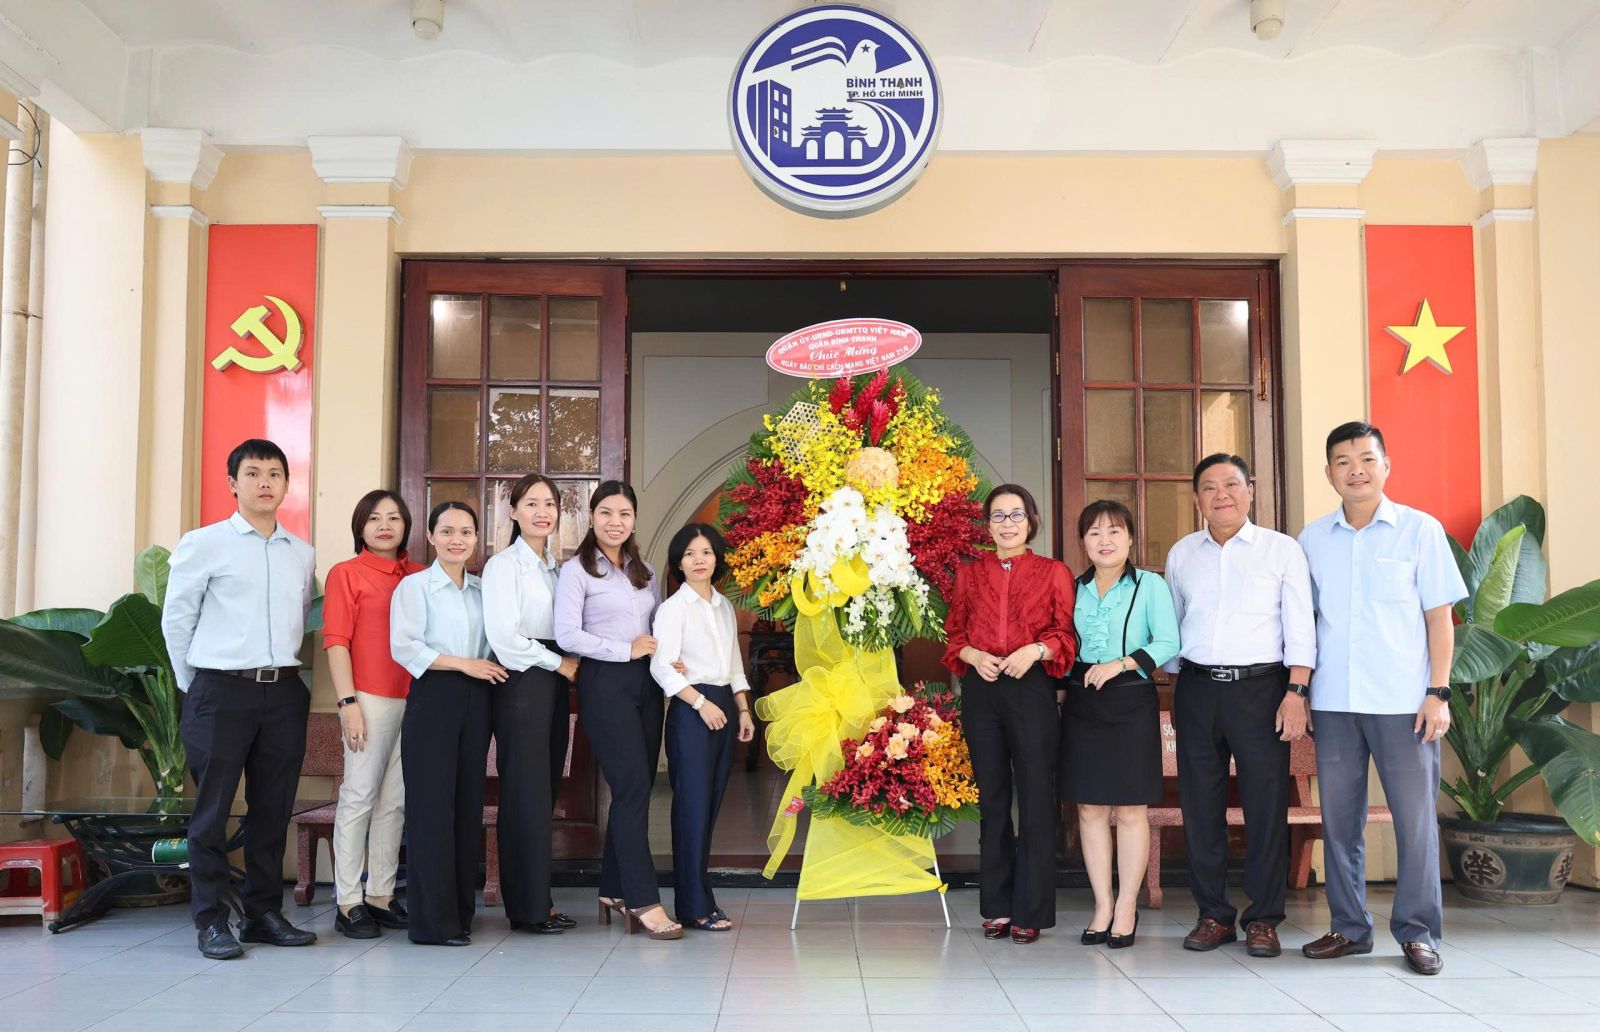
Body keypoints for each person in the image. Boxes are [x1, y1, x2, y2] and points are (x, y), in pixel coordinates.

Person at [1298, 421, 1465, 977]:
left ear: (1386, 466)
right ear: (1329, 473)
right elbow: (1304, 623)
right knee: (1339, 821)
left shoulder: (1420, 531)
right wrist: (1301, 690)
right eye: (1343, 462)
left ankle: (1418, 933)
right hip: (1334, 702)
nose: (1356, 471)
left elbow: (1439, 620)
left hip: (1404, 704)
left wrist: (1437, 692)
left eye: (1367, 459)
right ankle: (1349, 928)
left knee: (1414, 822)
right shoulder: (1312, 540)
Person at [162, 438, 318, 960]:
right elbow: (177, 621)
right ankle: (210, 920)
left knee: (272, 809)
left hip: (283, 692)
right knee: (212, 811)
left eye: (274, 473)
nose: (264, 482)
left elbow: (299, 617)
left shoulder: (301, 553)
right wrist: (198, 685)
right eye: (253, 473)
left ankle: (262, 914)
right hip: (220, 690)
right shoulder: (203, 543)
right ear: (233, 483)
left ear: (287, 484)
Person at [1164, 454, 1315, 959]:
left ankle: (1264, 919)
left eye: (1231, 484)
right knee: (1200, 806)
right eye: (1209, 487)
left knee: (1265, 806)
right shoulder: (1182, 554)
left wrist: (1296, 693)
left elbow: (1300, 626)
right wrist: (1176, 687)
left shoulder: (1281, 550)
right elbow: (1175, 626)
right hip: (1197, 688)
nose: (1221, 494)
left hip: (1262, 690)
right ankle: (1213, 915)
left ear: (1251, 490)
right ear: (1196, 499)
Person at [942, 484, 1077, 945]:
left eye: (1016, 514)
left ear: (1031, 521)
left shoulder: (1053, 572)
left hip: (1031, 688)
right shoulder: (969, 574)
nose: (1007, 524)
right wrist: (974, 656)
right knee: (993, 799)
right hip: (983, 690)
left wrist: (1035, 651)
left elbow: (1066, 635)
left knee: (1037, 798)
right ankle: (997, 905)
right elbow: (954, 635)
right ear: (987, 525)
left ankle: (1031, 910)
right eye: (998, 516)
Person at [553, 481, 680, 939]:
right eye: (606, 512)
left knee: (638, 789)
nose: (615, 522)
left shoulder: (643, 570)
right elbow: (567, 635)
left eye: (624, 514)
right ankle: (644, 899)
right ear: (592, 517)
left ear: (634, 520)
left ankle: (612, 889)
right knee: (631, 788)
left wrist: (669, 656)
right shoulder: (576, 571)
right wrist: (624, 650)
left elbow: (658, 626)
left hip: (647, 684)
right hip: (605, 684)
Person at [1060, 499, 1179, 950]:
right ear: (1083, 542)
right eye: (1094, 532)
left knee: (1130, 810)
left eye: (1114, 531)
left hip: (1131, 701)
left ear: (1130, 538)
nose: (1104, 540)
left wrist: (1120, 664)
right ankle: (1102, 905)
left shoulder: (1150, 585)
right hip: (1082, 702)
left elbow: (1168, 640)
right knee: (1089, 809)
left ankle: (1127, 905)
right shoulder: (1073, 588)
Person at [390, 501, 508, 946]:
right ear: (431, 537)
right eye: (447, 531)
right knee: (432, 810)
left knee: (466, 806)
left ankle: (459, 915)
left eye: (466, 532)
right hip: (434, 698)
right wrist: (465, 664)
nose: (457, 539)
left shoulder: (482, 590)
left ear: (477, 538)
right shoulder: (415, 587)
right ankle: (431, 923)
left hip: (477, 700)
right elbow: (405, 647)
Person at [323, 490, 424, 939]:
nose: (385, 526)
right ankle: (348, 902)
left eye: (394, 518)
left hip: (415, 698)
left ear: (406, 527)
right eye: (375, 518)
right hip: (369, 698)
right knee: (359, 796)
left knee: (394, 801)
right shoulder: (346, 574)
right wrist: (348, 705)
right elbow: (336, 642)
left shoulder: (419, 575)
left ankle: (381, 896)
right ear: (360, 526)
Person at [482, 473, 579, 935]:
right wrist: (557, 663)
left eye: (550, 504)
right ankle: (525, 908)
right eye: (532, 503)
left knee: (545, 790)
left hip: (554, 680)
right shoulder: (503, 566)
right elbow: (504, 638)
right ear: (513, 512)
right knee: (524, 792)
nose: (543, 512)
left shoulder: (556, 568)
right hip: (523, 682)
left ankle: (541, 900)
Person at [650, 523, 755, 932]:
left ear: (717, 559)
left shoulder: (724, 606)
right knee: (691, 808)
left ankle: (699, 898)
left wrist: (743, 709)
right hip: (691, 710)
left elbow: (734, 664)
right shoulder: (673, 608)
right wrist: (700, 703)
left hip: (724, 706)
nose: (699, 560)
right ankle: (693, 905)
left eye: (706, 552)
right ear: (679, 562)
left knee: (709, 807)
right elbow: (662, 668)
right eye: (690, 553)